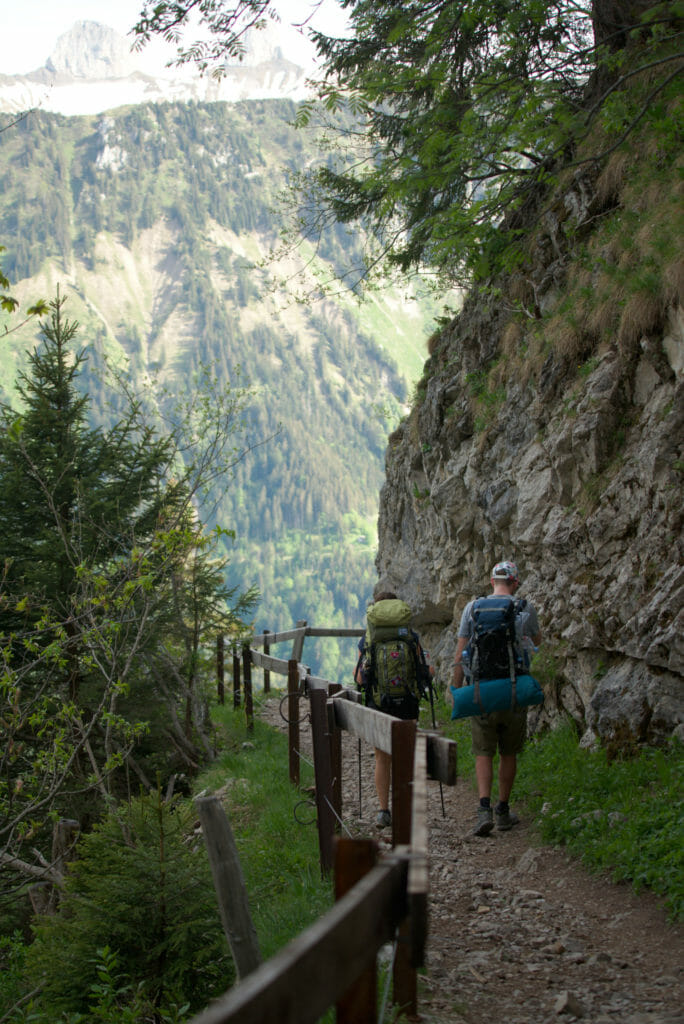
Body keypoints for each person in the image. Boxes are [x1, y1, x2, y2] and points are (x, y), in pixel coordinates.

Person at [449, 561, 542, 836]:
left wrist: (457, 692)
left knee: (483, 752)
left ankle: (483, 810)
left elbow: (460, 654)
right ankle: (503, 810)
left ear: (492, 582)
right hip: (513, 692)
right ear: (515, 583)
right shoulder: (524, 608)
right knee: (508, 752)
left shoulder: (473, 608)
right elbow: (538, 643)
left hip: (481, 693)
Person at [354, 588, 431, 829]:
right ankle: (408, 809)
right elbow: (425, 671)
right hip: (408, 703)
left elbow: (358, 678)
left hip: (380, 703)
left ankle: (383, 811)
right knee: (406, 755)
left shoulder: (368, 639)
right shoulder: (410, 636)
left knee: (382, 757)